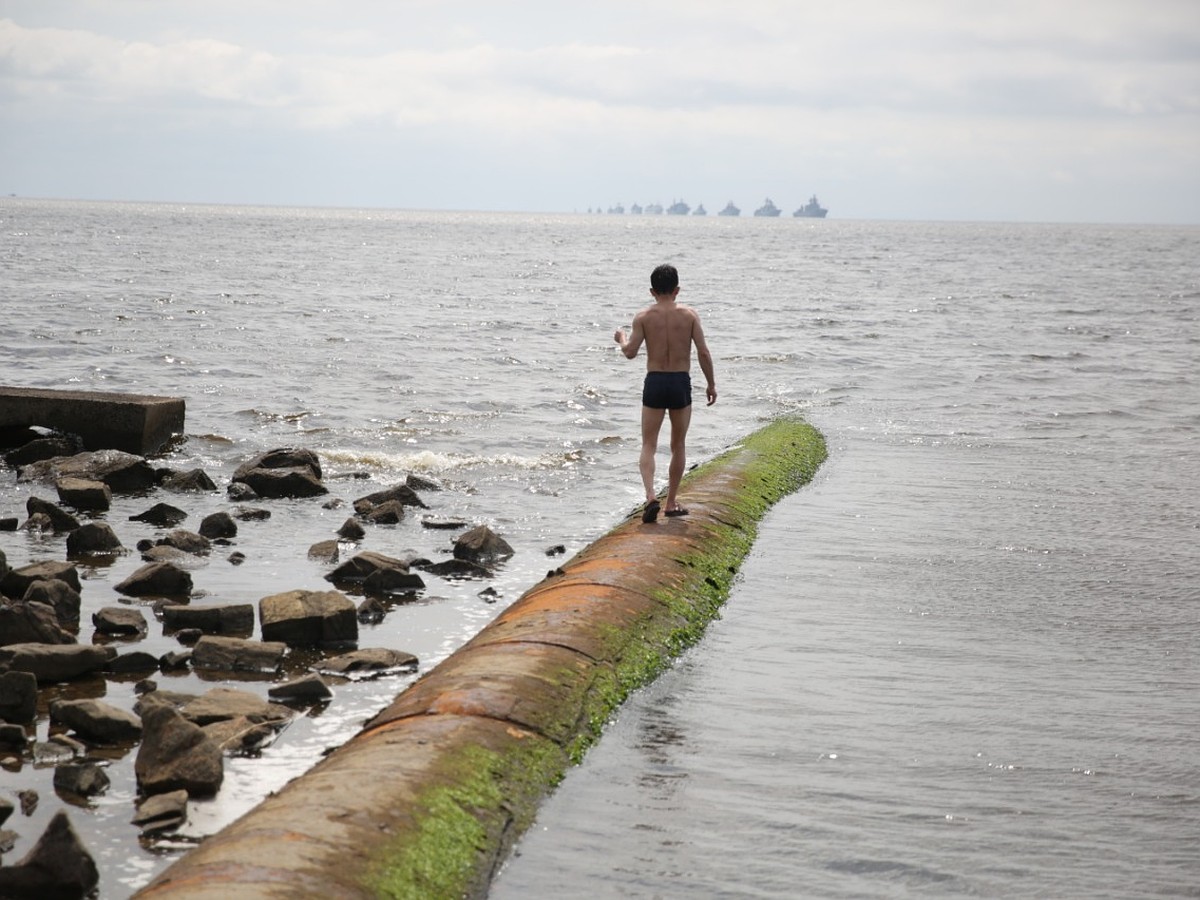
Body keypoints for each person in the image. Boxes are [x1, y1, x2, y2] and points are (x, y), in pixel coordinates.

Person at [614, 263, 717, 523]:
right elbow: (703, 352)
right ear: (677, 290)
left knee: (648, 444)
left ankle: (650, 497)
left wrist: (621, 338)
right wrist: (711, 384)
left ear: (652, 291)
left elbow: (630, 353)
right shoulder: (690, 315)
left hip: (655, 381)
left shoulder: (643, 317)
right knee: (678, 445)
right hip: (680, 381)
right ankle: (671, 503)